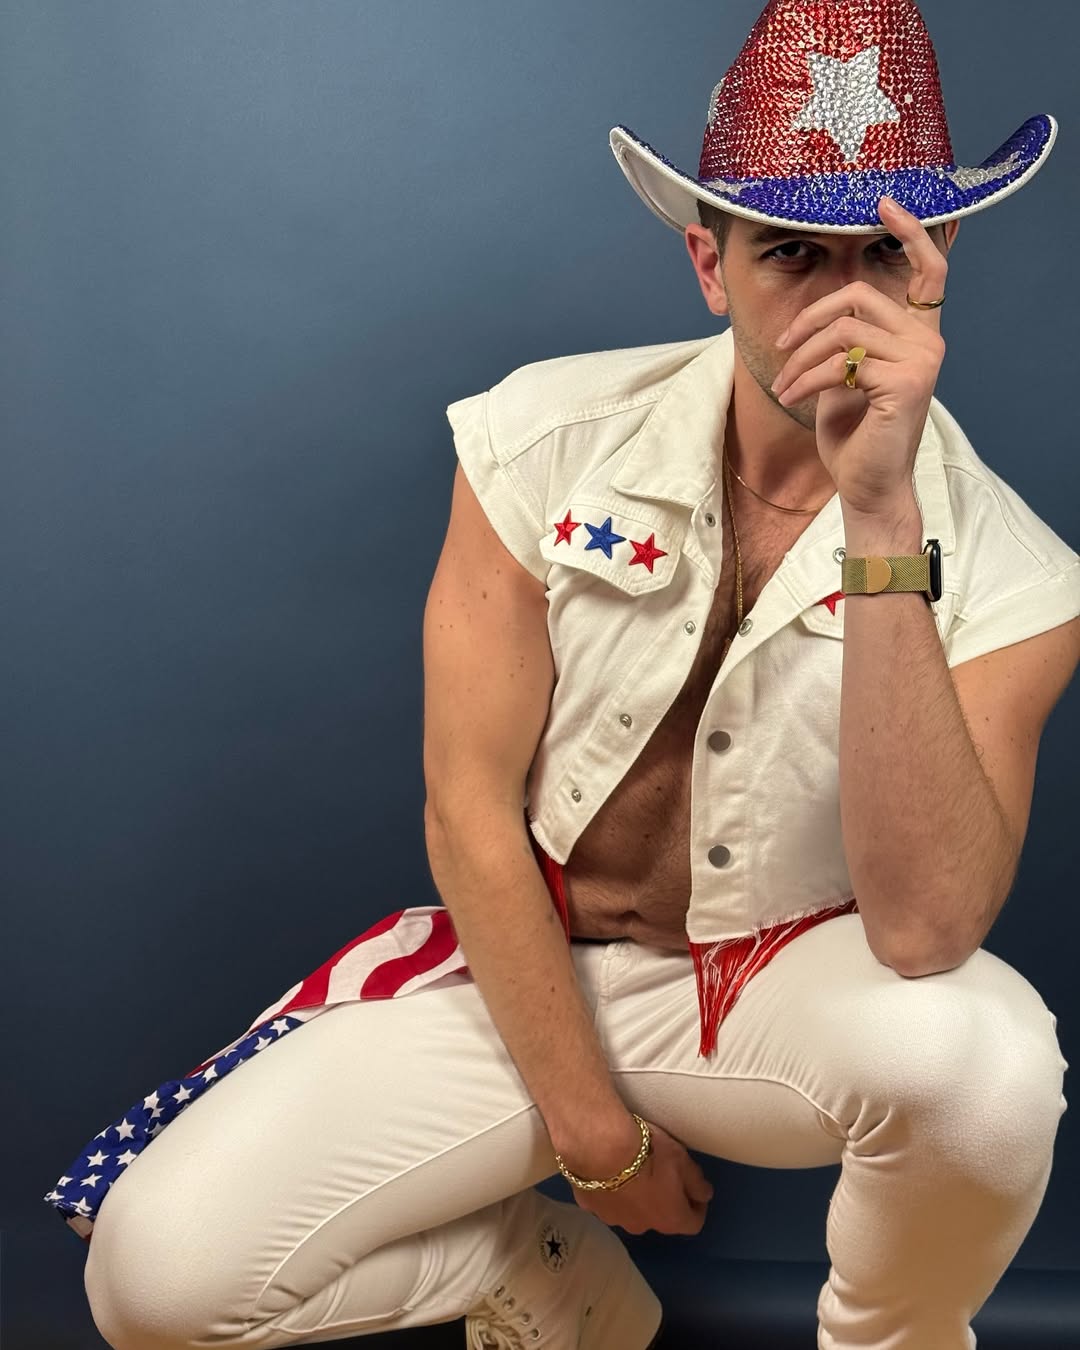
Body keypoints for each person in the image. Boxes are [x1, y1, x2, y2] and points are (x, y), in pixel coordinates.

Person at [48, 1, 1078, 1346]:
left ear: (939, 262)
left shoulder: (1019, 572)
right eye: (789, 253)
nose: (842, 304)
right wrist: (596, 1140)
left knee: (989, 1068)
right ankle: (542, 1280)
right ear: (709, 264)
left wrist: (882, 511)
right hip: (520, 971)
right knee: (156, 1279)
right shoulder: (540, 438)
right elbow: (467, 803)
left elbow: (926, 934)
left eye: (882, 251)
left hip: (774, 996)